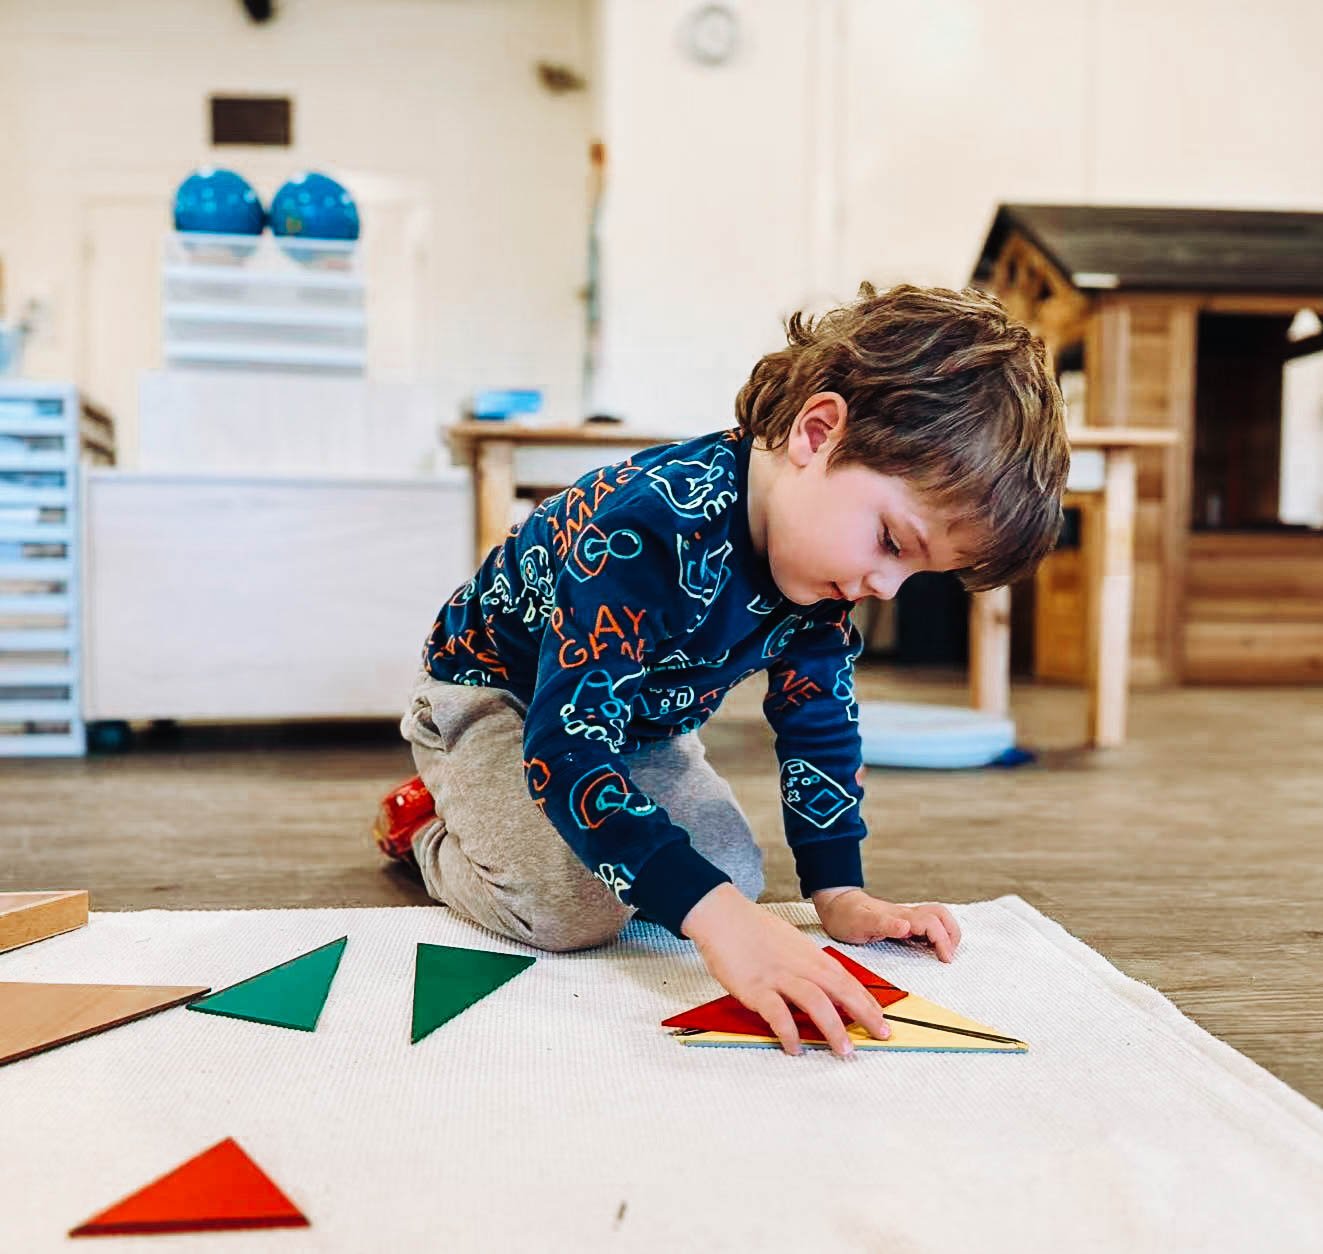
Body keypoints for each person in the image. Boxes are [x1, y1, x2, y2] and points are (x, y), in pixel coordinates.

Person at [375, 282, 1069, 1058]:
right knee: (569, 910)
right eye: (890, 542)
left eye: (916, 574)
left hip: (635, 722)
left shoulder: (826, 572)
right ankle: (429, 826)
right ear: (817, 432)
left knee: (731, 877)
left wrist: (837, 891)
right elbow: (565, 747)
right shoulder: (644, 527)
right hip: (500, 701)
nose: (884, 587)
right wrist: (716, 924)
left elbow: (820, 723)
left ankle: (543, 835)